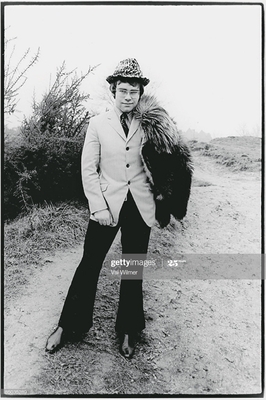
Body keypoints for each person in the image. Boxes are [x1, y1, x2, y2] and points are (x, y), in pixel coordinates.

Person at [45, 58, 156, 358]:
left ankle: (129, 329)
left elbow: (161, 165)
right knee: (89, 264)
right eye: (123, 90)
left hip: (140, 208)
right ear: (113, 90)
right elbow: (88, 169)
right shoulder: (97, 123)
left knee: (132, 269)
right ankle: (67, 325)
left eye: (134, 91)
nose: (129, 96)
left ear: (140, 93)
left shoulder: (150, 124)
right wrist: (99, 207)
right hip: (106, 206)